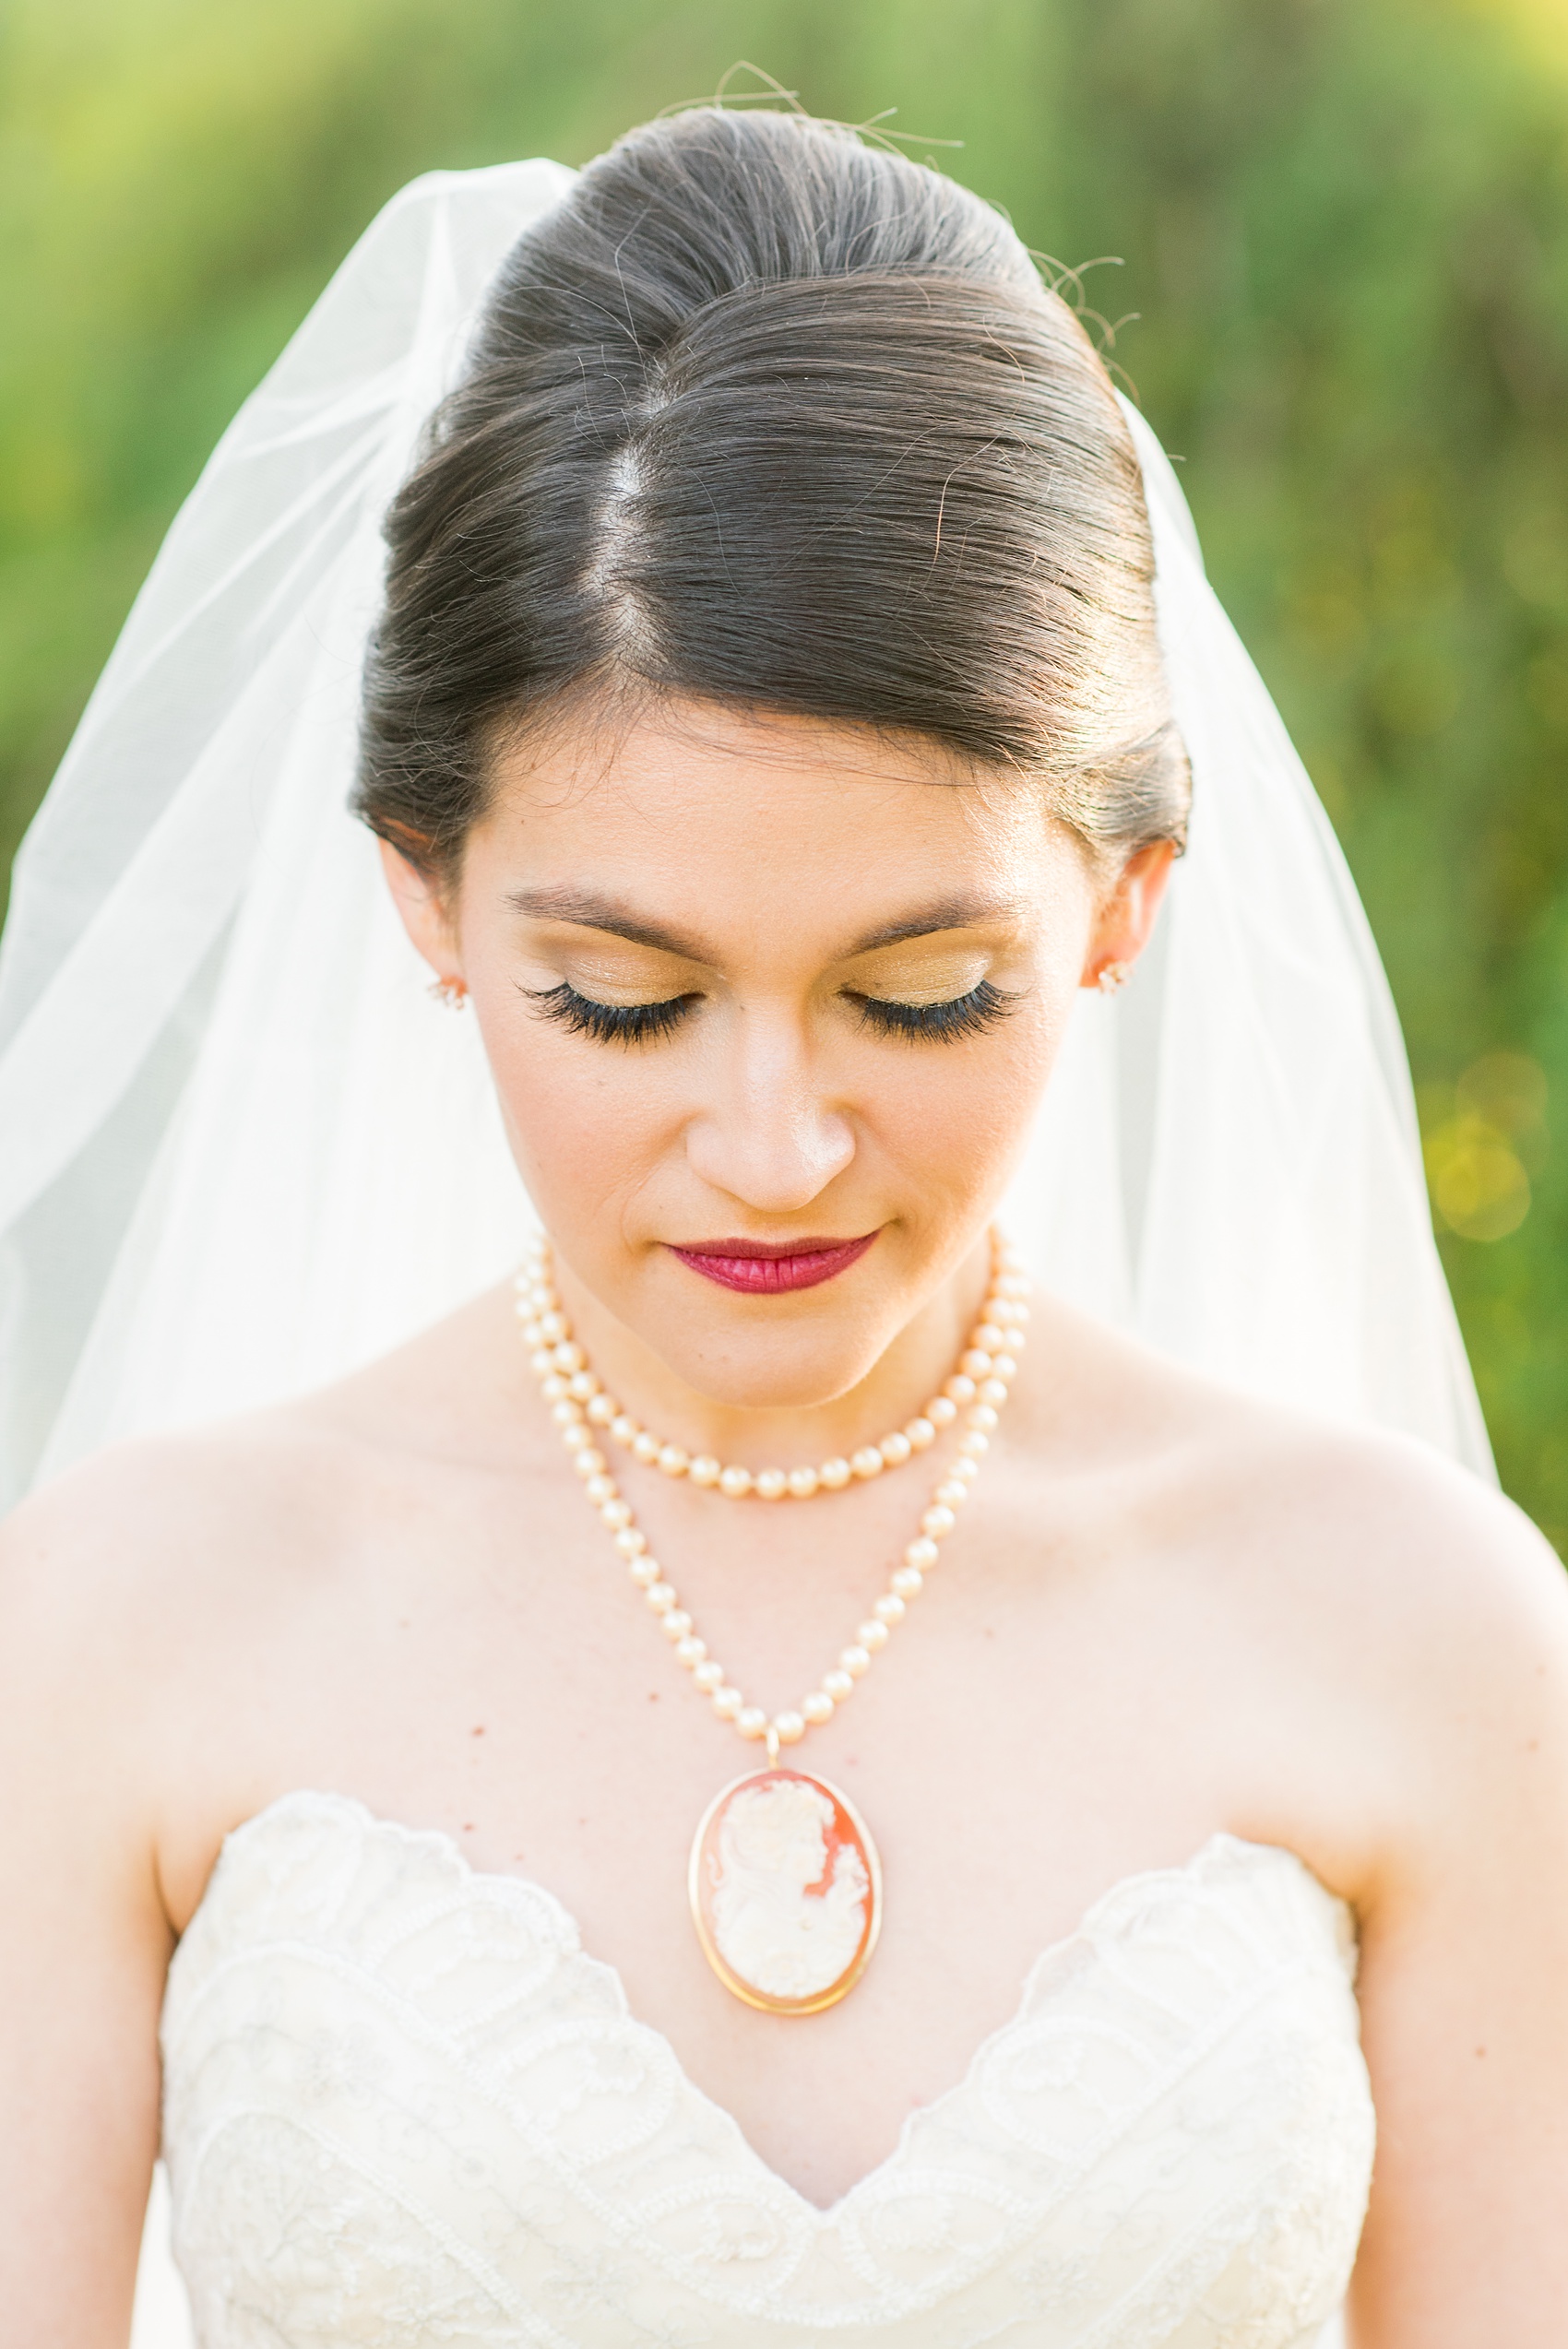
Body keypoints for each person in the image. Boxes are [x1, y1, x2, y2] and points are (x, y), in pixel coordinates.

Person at [1, 103, 1565, 2349]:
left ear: (1123, 901)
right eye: (620, 1001)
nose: (774, 1144)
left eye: (918, 992)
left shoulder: (1427, 1637)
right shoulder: (113, 1624)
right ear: (424, 896)